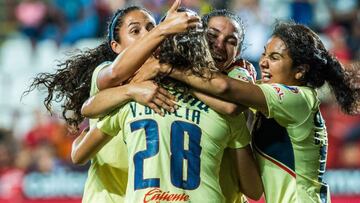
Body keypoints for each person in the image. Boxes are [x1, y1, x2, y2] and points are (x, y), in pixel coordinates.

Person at [158, 21, 360, 202]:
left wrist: (170, 70)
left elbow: (225, 90)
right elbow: (230, 105)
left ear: (300, 71)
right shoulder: (276, 103)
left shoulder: (297, 98)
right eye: (264, 53)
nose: (263, 62)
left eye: (274, 57)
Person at [72, 13, 262, 202]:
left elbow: (85, 122)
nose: (219, 45)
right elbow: (89, 109)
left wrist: (167, 73)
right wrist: (133, 89)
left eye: (231, 41)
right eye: (212, 36)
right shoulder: (131, 85)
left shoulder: (144, 91)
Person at [24, 1, 201, 202]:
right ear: (115, 46)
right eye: (135, 30)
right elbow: (100, 93)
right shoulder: (105, 74)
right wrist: (132, 89)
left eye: (150, 28)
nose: (146, 34)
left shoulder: (168, 81)